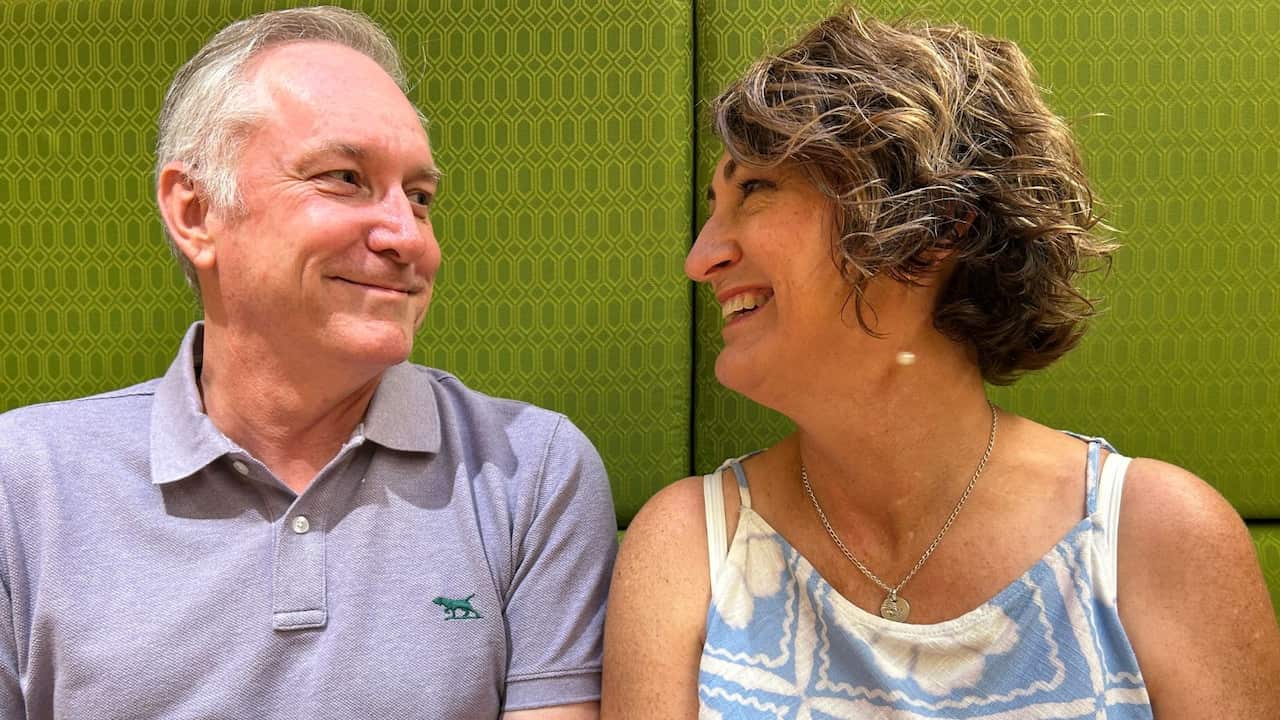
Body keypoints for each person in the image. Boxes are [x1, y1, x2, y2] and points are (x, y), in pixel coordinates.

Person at [602, 6, 1280, 718]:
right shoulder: (688, 547)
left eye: (755, 190)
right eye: (715, 204)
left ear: (933, 228)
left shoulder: (1157, 536)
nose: (700, 257)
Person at [0, 7, 615, 718]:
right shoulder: (23, 483)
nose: (408, 238)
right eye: (345, 178)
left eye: (420, 198)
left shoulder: (528, 472)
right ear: (196, 212)